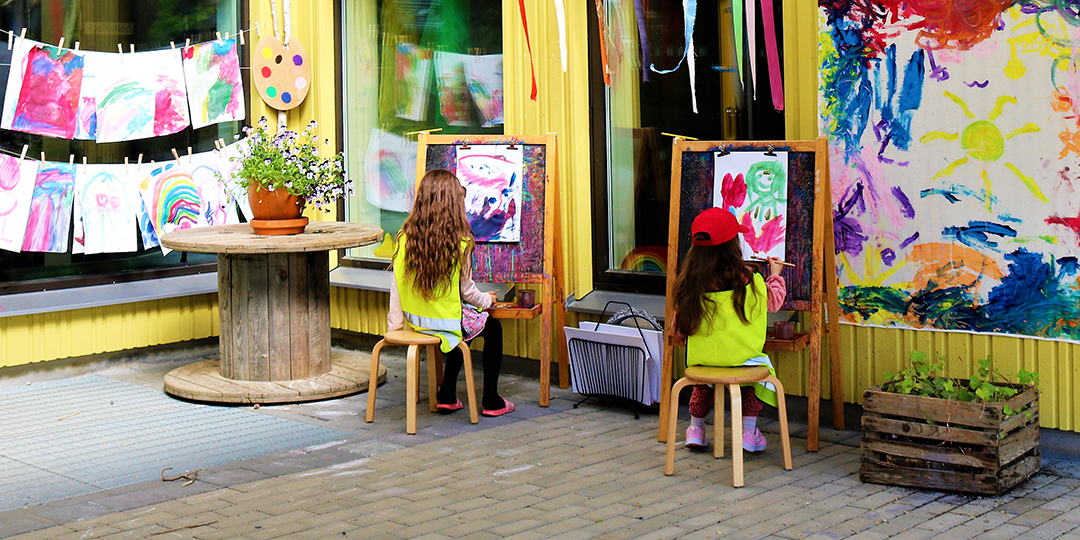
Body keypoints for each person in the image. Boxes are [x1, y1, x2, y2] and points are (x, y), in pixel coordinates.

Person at [386, 169, 514, 417]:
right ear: (454, 204)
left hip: (418, 322)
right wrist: (489, 300)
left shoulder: (404, 239)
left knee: (463, 326)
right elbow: (468, 293)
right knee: (489, 327)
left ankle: (447, 394)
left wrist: (395, 326)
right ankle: (491, 400)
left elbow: (396, 287)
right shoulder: (461, 242)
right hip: (447, 323)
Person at [672, 207, 787, 451]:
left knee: (702, 382)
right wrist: (775, 275)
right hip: (743, 360)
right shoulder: (752, 281)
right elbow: (775, 301)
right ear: (733, 245)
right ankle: (748, 432)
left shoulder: (690, 285)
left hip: (701, 363)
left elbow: (679, 331)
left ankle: (695, 428)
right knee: (755, 375)